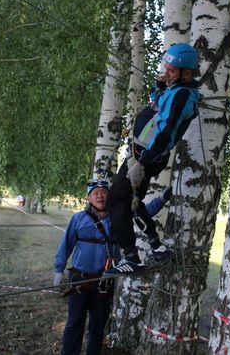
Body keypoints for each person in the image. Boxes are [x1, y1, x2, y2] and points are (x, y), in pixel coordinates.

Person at [105, 43, 200, 274]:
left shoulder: (182, 95)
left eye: (171, 71)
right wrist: (158, 89)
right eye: (164, 68)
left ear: (186, 73)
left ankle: (131, 257)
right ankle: (154, 246)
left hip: (145, 158)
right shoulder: (173, 90)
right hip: (140, 155)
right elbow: (157, 108)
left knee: (117, 202)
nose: (165, 74)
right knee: (130, 203)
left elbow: (166, 131)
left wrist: (142, 164)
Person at [54, 180, 171, 355]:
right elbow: (66, 245)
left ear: (109, 196)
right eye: (96, 193)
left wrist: (162, 198)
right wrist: (58, 270)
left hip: (105, 281)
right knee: (74, 323)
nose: (100, 195)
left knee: (98, 326)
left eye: (104, 192)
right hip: (80, 279)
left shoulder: (119, 217)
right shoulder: (78, 219)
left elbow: (145, 212)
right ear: (88, 198)